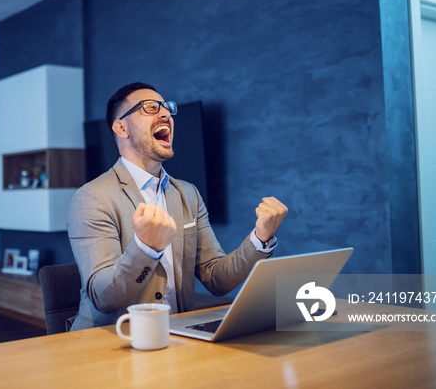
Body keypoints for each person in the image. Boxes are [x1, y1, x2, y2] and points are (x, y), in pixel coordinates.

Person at [67, 82, 288, 331]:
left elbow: (217, 279)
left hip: (176, 338)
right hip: (109, 344)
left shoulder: (188, 193)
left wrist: (261, 238)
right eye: (150, 108)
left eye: (166, 108)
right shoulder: (92, 197)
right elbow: (103, 297)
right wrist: (146, 248)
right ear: (121, 127)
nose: (165, 114)